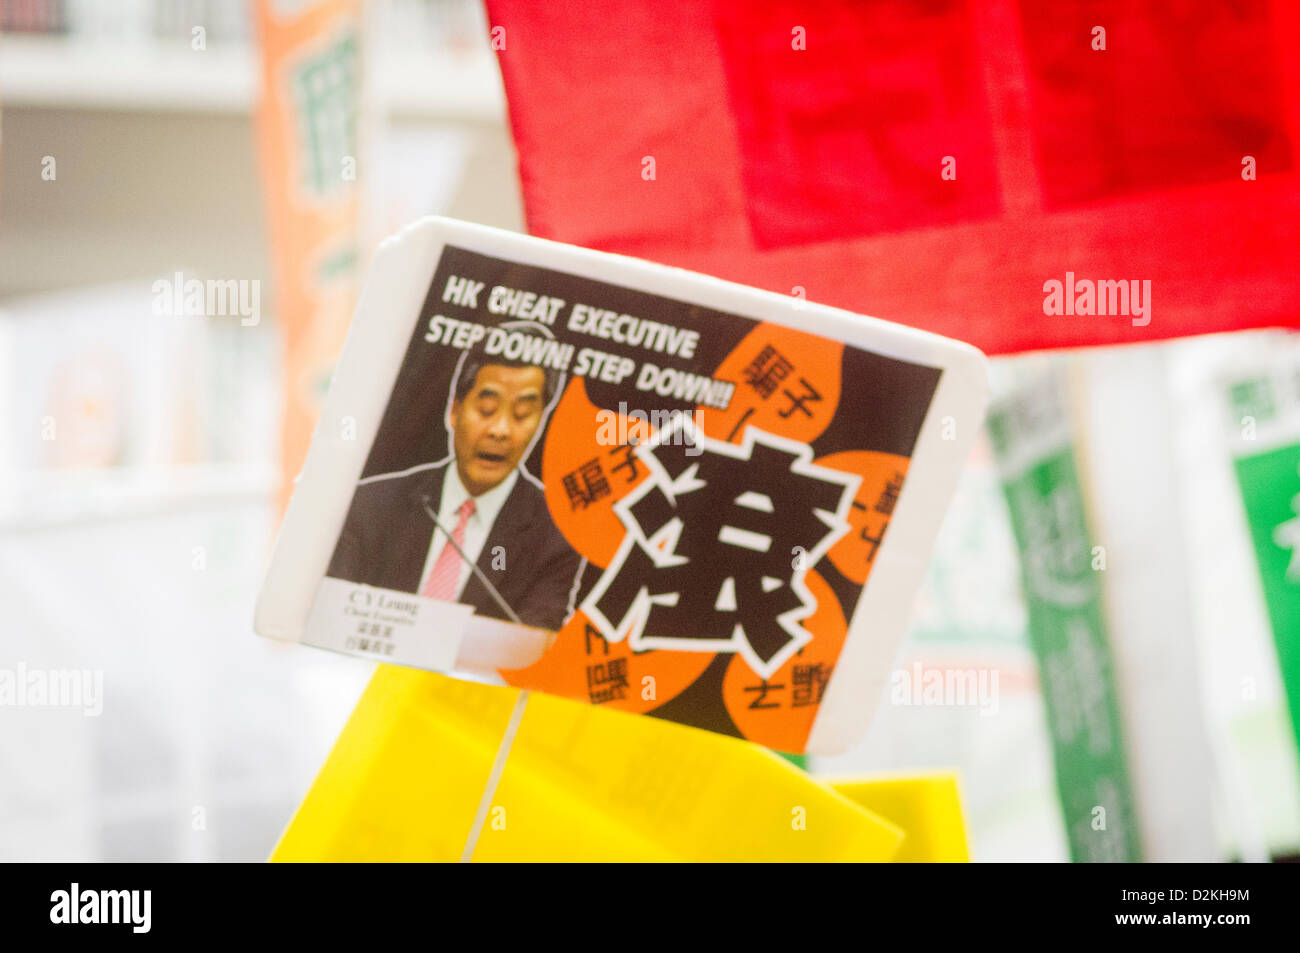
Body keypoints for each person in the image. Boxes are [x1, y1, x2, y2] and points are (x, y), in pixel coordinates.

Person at [327, 323, 582, 632]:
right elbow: (331, 620)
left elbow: (529, 648)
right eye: (487, 409)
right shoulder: (369, 507)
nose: (500, 430)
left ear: (541, 423)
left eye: (521, 415)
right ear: (454, 411)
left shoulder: (557, 536)